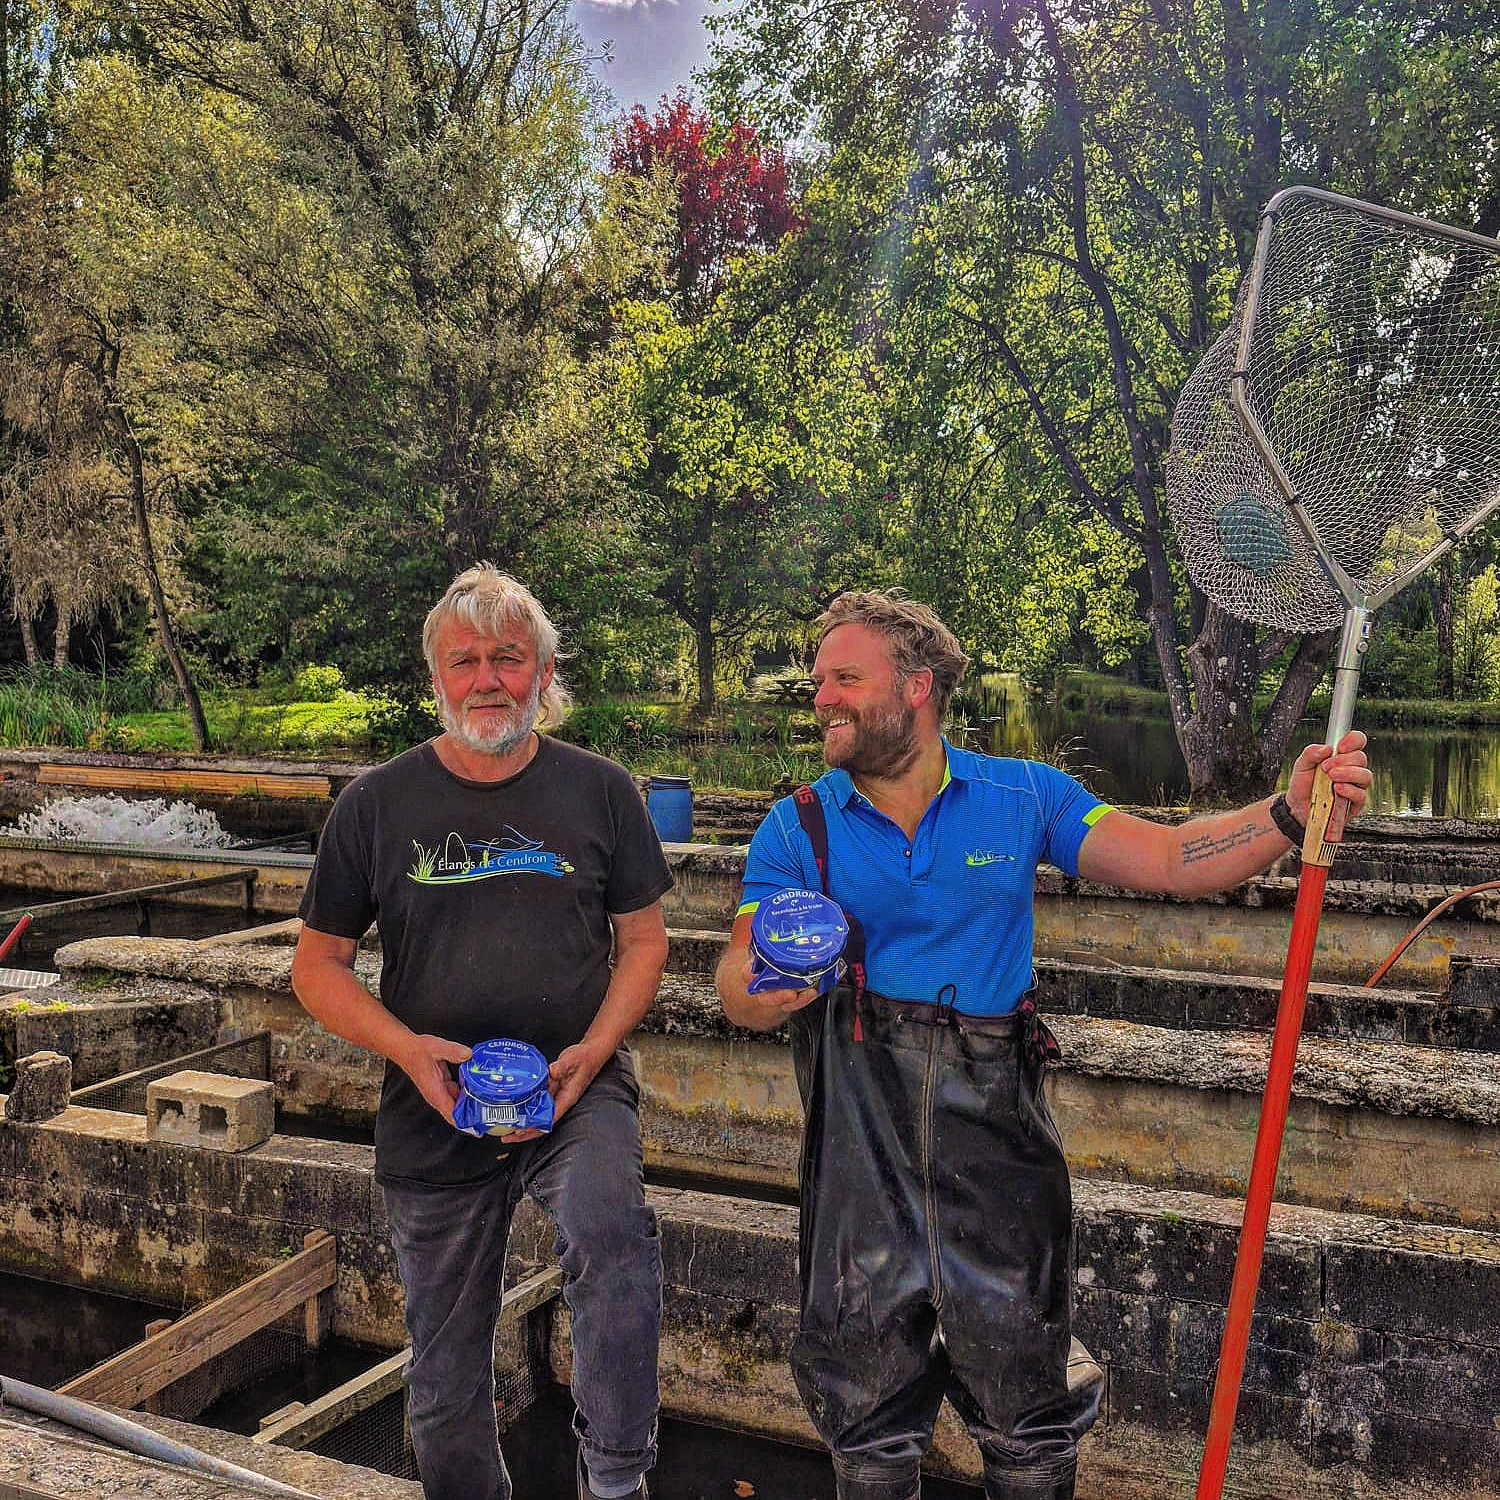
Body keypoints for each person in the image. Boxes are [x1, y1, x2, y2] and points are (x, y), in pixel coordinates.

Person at [715, 590, 1371, 1500]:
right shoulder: (799, 826)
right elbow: (736, 977)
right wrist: (764, 992)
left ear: (916, 687)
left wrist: (1288, 816)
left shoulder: (1024, 796)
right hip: (860, 1180)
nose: (820, 695)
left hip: (1001, 1169)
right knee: (866, 1432)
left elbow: (1167, 857)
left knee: (1030, 1425)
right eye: (819, 678)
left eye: (844, 678)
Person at [291, 566, 673, 1500]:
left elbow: (644, 941)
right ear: (437, 679)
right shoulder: (375, 804)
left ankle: (615, 1481)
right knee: (442, 1375)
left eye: (509, 657)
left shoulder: (602, 791)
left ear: (544, 673)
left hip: (577, 1082)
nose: (487, 679)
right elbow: (317, 967)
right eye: (464, 661)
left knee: (613, 1238)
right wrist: (407, 1050)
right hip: (434, 1100)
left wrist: (596, 1049)